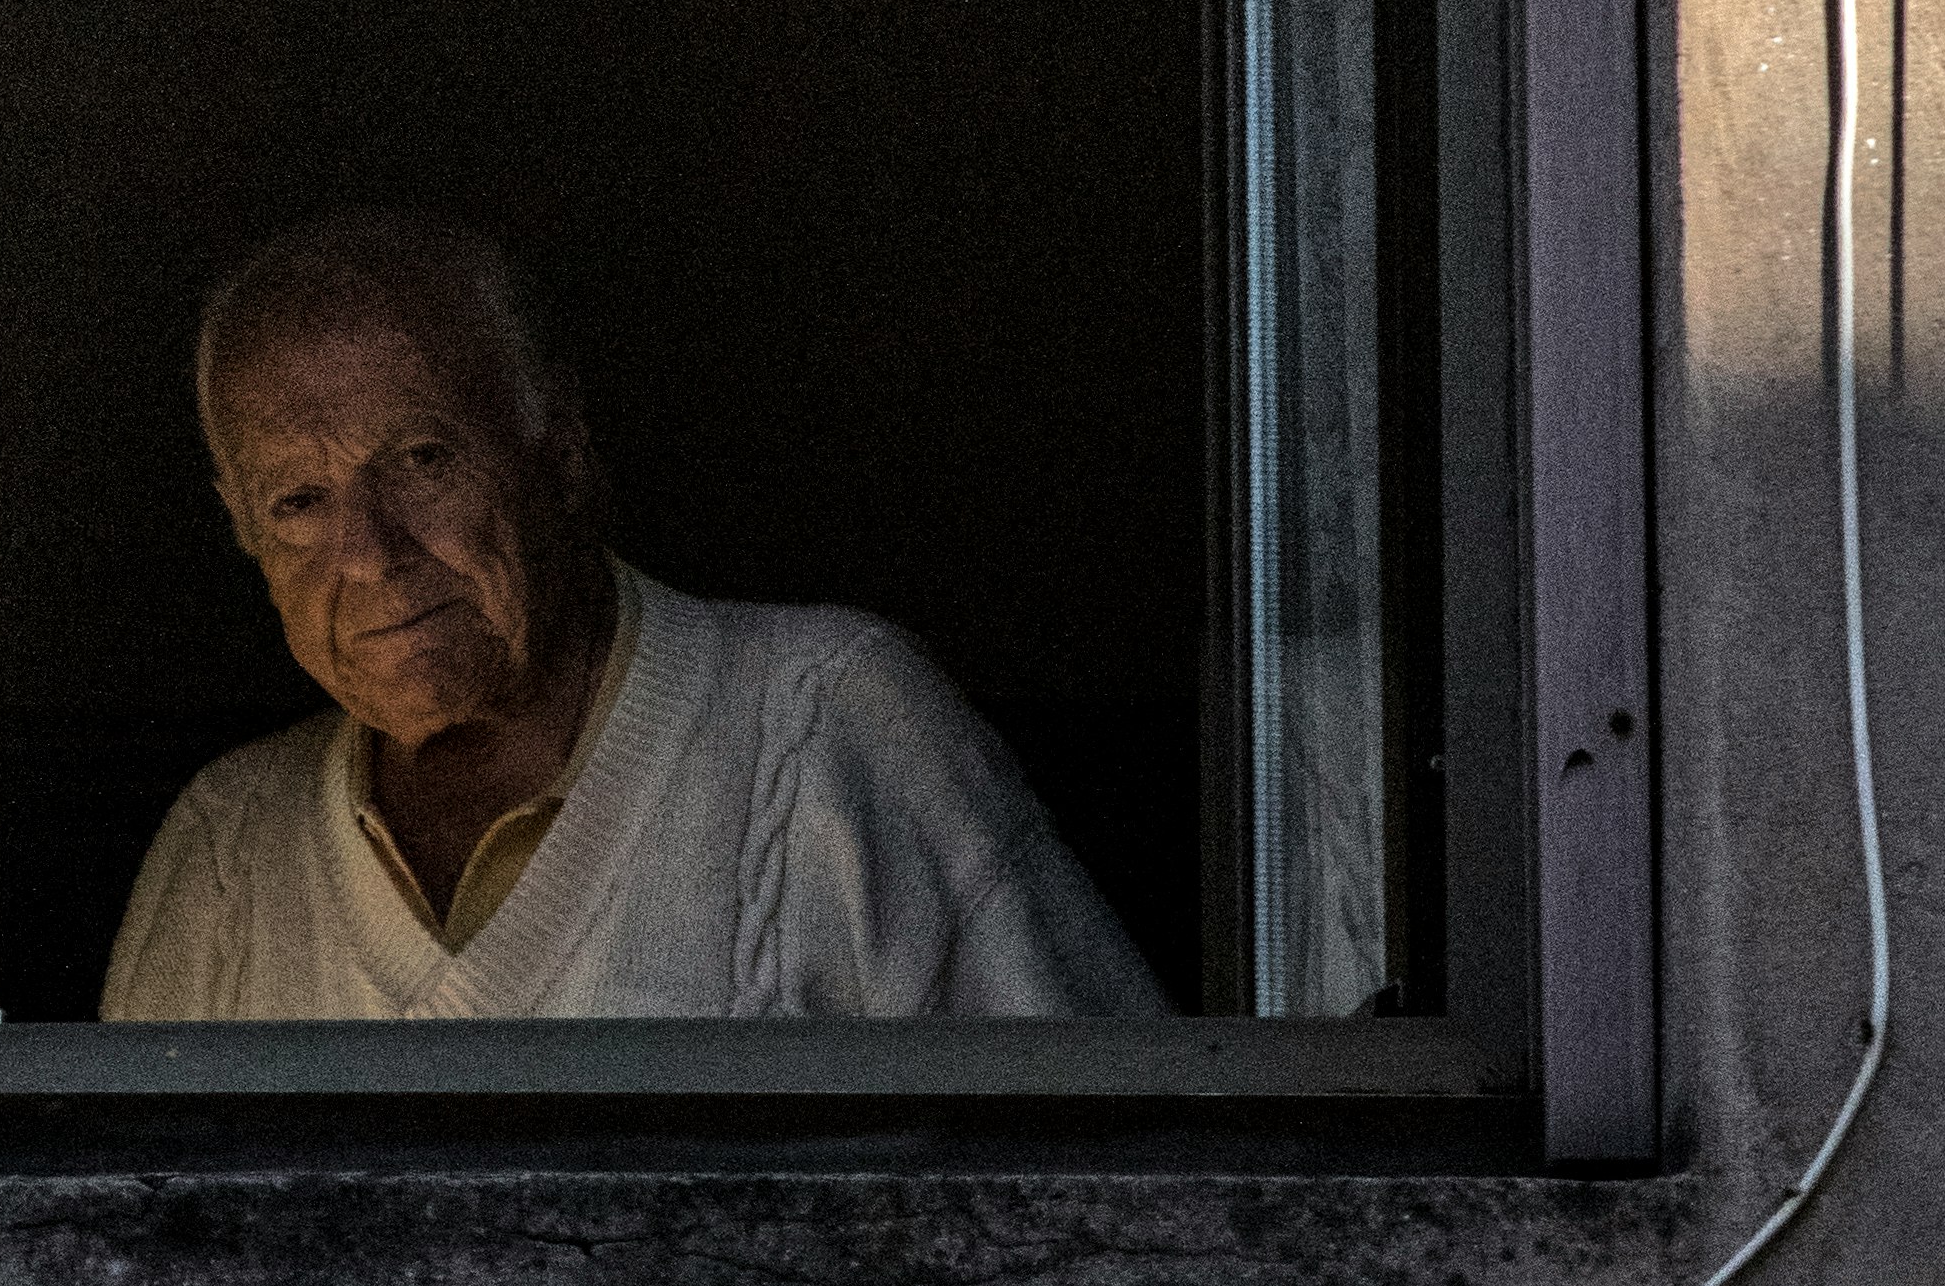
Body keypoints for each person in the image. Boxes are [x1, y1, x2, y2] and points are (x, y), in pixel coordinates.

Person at [101, 210, 1165, 1023]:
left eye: (422, 461)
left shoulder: (837, 726)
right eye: (298, 501)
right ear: (241, 529)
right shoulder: (225, 847)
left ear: (558, 453)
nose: (371, 555)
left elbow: (1127, 1194)